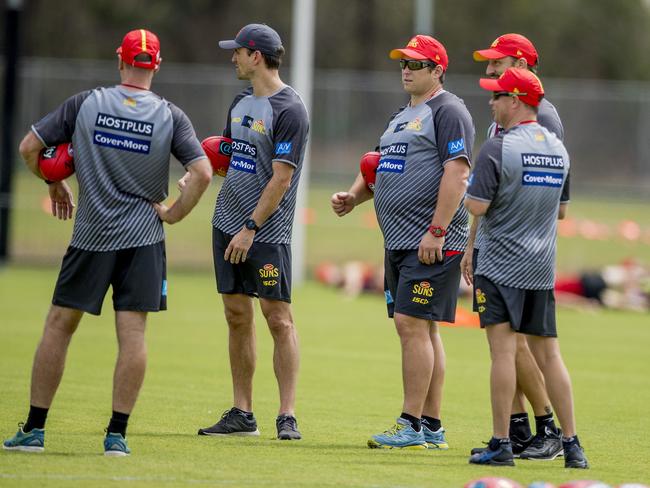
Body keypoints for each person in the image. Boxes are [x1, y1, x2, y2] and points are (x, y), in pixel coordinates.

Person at [2, 29, 212, 456]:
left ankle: (35, 430)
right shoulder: (171, 114)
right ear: (157, 65)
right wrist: (172, 213)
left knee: (59, 326)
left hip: (92, 235)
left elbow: (29, 148)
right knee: (133, 333)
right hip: (144, 239)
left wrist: (53, 179)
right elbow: (204, 172)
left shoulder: (86, 103)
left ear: (121, 59)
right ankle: (116, 436)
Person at [331, 35, 474, 449]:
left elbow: (458, 172)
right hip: (399, 242)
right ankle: (431, 427)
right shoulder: (401, 116)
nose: (406, 69)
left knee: (411, 324)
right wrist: (354, 196)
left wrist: (437, 229)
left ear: (437, 70)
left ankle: (410, 424)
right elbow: (378, 163)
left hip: (429, 241)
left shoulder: (448, 110)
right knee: (422, 328)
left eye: (415, 63)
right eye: (402, 63)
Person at [465, 67, 588, 469]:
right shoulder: (558, 148)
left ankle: (501, 443)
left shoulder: (497, 148)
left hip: (499, 264)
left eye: (497, 96)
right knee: (550, 355)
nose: (492, 103)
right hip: (540, 267)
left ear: (515, 101)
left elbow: (477, 206)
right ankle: (572, 445)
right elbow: (563, 211)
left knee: (502, 352)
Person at [197, 24, 309, 440]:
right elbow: (232, 157)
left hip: (265, 232)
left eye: (238, 52)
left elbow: (280, 179)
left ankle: (287, 415)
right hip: (226, 223)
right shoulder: (241, 101)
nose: (233, 59)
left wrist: (250, 228)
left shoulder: (290, 109)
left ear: (256, 56)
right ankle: (242, 413)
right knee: (236, 315)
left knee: (278, 318)